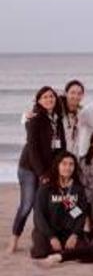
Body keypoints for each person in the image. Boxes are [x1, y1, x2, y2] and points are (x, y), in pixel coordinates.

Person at [9, 87, 66, 253]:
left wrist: (60, 168)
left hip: (47, 169)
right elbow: (33, 150)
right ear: (39, 101)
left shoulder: (57, 118)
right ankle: (14, 240)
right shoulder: (34, 118)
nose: (49, 99)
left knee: (42, 206)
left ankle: (40, 239)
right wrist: (42, 174)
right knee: (27, 204)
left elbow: (60, 146)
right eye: (45, 97)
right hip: (29, 168)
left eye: (51, 97)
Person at [28, 152, 89, 259]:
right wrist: (52, 237)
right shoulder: (46, 187)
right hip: (48, 231)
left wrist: (74, 235)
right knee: (40, 252)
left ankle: (61, 253)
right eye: (64, 164)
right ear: (58, 166)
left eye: (71, 164)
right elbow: (39, 215)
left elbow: (80, 215)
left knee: (81, 251)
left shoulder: (78, 188)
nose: (68, 167)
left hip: (68, 232)